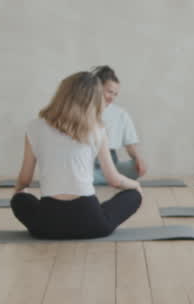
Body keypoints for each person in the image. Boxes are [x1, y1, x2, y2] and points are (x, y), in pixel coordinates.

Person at [10, 70, 143, 240]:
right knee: (133, 195)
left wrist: (19, 195)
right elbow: (114, 180)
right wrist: (135, 185)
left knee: (19, 200)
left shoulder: (34, 127)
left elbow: (24, 180)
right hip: (92, 223)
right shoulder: (97, 128)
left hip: (47, 226)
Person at [90, 65, 148, 184]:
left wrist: (138, 159)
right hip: (89, 162)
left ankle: (105, 178)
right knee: (82, 173)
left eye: (115, 94)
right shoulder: (82, 111)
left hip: (111, 164)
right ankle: (109, 178)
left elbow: (130, 144)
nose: (112, 97)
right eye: (109, 92)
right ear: (98, 88)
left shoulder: (120, 113)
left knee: (134, 168)